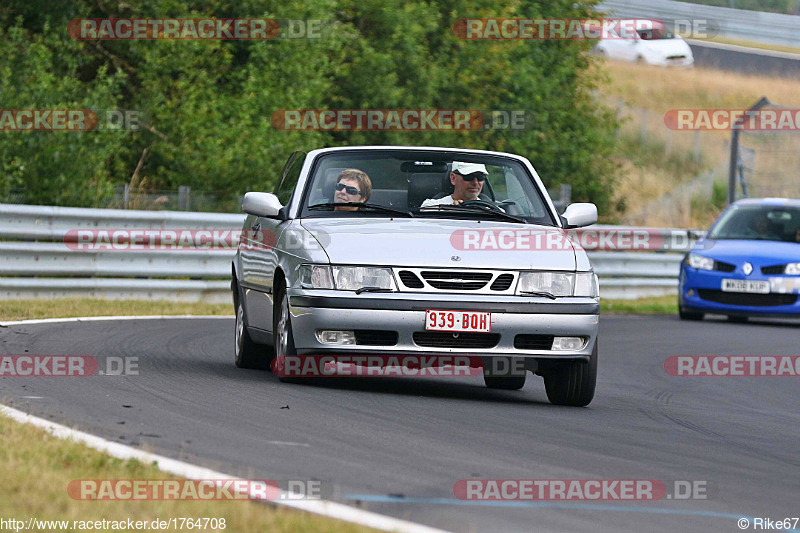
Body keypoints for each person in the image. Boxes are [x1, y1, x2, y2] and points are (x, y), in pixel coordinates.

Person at [420, 161, 488, 208]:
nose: (475, 182)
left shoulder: (492, 211)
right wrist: (450, 212)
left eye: (480, 177)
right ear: (453, 178)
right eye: (469, 177)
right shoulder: (431, 206)